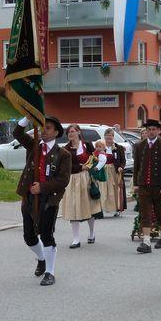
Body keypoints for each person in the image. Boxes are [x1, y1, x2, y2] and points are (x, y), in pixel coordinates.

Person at [13, 116, 71, 286]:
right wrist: (27, 117)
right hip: (29, 197)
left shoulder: (63, 154)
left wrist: (43, 187)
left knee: (46, 234)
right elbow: (18, 133)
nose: (43, 130)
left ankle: (50, 272)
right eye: (42, 127)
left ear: (56, 132)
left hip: (49, 199)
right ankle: (41, 258)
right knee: (29, 237)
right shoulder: (34, 146)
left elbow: (63, 180)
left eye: (48, 128)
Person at [132, 119, 161, 253]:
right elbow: (136, 166)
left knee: (159, 211)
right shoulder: (139, 145)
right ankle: (146, 242)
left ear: (158, 131)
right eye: (149, 129)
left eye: (153, 129)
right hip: (144, 184)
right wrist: (136, 184)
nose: (151, 132)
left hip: (159, 185)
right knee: (145, 212)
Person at [61, 125, 103, 248]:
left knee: (90, 206)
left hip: (87, 179)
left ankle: (91, 233)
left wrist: (95, 165)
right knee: (73, 207)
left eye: (72, 131)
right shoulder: (66, 149)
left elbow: (94, 159)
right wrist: (81, 167)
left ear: (78, 132)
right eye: (68, 132)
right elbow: (66, 167)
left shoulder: (87, 145)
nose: (70, 134)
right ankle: (76, 238)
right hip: (73, 180)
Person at [100, 128, 127, 216]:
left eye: (110, 136)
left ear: (113, 137)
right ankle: (102, 209)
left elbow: (123, 160)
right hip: (103, 171)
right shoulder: (101, 147)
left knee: (115, 190)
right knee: (103, 190)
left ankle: (117, 208)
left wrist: (121, 167)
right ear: (104, 137)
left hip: (114, 171)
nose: (108, 138)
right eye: (107, 136)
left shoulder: (118, 148)